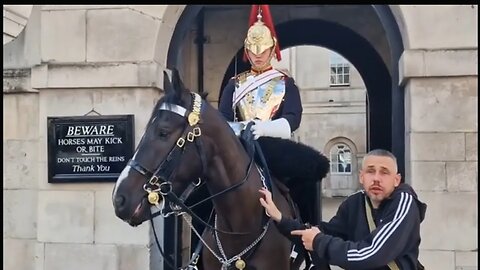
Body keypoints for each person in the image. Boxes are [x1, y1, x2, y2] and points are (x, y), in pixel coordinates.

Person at [259, 149, 427, 270]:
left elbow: (372, 254)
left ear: (397, 180)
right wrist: (280, 218)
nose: (376, 178)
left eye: (384, 173)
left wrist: (318, 242)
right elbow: (323, 233)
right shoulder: (354, 203)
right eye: (370, 171)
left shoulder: (404, 202)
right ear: (362, 176)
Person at [218, 4, 303, 140]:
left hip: (275, 143)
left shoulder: (286, 83)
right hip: (242, 143)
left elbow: (293, 117)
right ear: (247, 50)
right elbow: (223, 118)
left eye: (263, 51)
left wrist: (266, 129)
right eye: (253, 51)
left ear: (271, 49)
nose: (258, 56)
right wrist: (242, 128)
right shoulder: (234, 84)